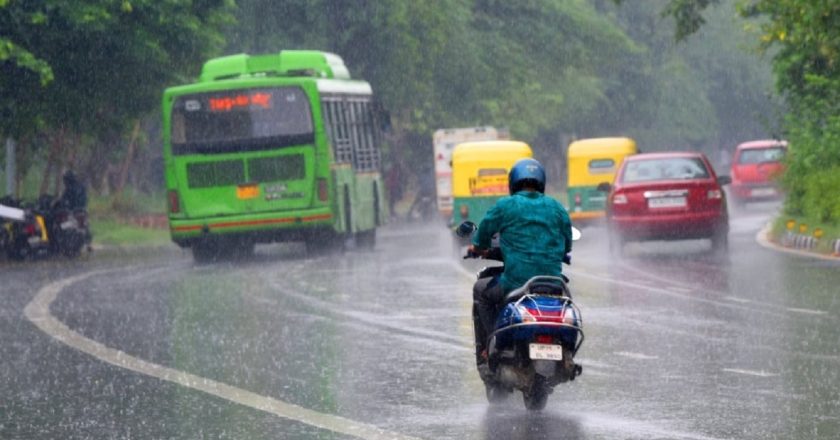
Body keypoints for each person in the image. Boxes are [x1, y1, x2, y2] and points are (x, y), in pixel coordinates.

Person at [467, 158, 573, 375]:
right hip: (553, 285)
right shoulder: (557, 208)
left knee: (481, 291)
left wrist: (479, 248)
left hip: (515, 283)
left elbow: (483, 234)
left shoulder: (506, 205)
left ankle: (490, 345)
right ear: (541, 182)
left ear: (513, 182)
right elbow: (567, 244)